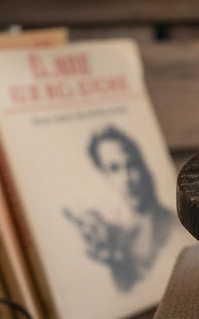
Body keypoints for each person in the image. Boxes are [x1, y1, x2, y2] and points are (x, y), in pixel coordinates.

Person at [64, 125, 177, 293]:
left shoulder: (174, 225)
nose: (126, 179)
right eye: (114, 168)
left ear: (143, 167)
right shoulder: (110, 235)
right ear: (104, 175)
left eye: (131, 165)